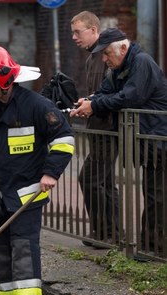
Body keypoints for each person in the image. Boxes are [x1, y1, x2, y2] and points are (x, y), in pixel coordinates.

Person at [0, 46, 74, 295]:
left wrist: (51, 173)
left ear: (4, 80)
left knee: (23, 250)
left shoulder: (36, 106)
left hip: (26, 195)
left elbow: (64, 139)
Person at [70, 28, 167, 254]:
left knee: (157, 195)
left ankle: (156, 248)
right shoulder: (119, 68)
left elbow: (131, 96)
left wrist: (94, 106)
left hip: (159, 137)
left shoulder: (141, 62)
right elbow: (105, 92)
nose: (104, 59)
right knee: (152, 193)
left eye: (106, 54)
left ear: (123, 48)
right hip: (148, 138)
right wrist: (90, 100)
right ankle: (150, 246)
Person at [70, 11, 120, 247]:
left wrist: (94, 105)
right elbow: (100, 94)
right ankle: (108, 232)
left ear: (93, 30)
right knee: (105, 181)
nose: (74, 37)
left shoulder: (106, 57)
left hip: (108, 129)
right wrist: (86, 102)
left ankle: (107, 233)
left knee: (90, 179)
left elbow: (112, 95)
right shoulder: (92, 58)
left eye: (78, 32)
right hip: (98, 129)